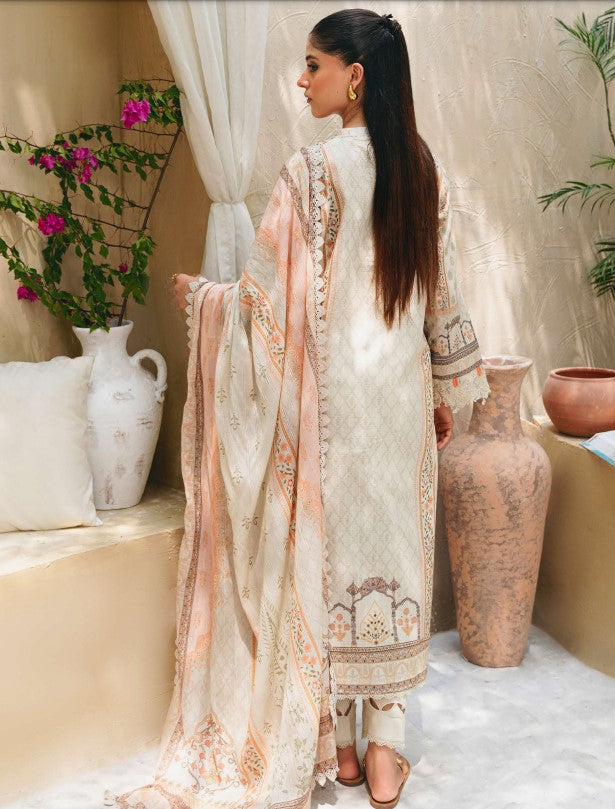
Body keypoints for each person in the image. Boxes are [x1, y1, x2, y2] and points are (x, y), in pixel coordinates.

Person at [110, 8, 489, 809]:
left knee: (332, 563)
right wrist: (442, 394)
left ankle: (340, 751)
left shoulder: (309, 174)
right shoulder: (423, 168)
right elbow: (442, 297)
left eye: (314, 65)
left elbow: (262, 308)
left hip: (331, 417)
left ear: (355, 77)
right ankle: (383, 754)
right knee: (393, 558)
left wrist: (205, 301)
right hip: (398, 408)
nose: (300, 79)